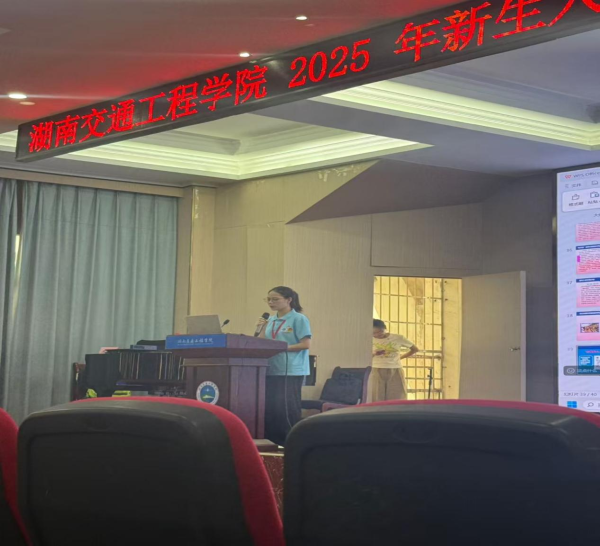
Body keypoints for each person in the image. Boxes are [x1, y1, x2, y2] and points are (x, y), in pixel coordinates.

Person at [257, 286, 312, 446]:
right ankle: (273, 442)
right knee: (272, 408)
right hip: (270, 368)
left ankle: (292, 443)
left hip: (291, 370)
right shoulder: (270, 320)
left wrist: (281, 348)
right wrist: (261, 328)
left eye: (275, 299)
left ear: (288, 300)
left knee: (287, 408)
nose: (271, 302)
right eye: (268, 299)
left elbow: (305, 344)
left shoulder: (299, 319)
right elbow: (262, 343)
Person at [371, 319, 419, 401]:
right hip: (375, 368)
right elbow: (363, 355)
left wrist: (400, 357)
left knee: (397, 395)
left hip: (395, 368)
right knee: (376, 396)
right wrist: (374, 353)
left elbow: (415, 349)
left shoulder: (398, 338)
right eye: (374, 333)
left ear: (385, 329)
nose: (377, 335)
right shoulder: (368, 339)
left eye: (380, 332)